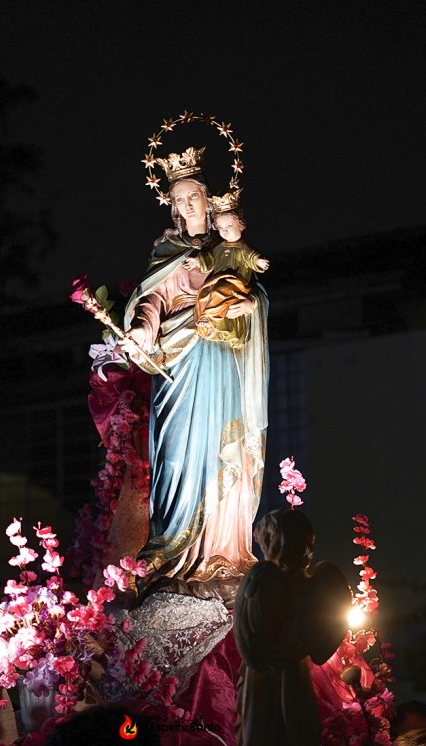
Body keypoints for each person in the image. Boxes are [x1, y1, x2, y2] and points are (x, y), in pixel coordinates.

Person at [121, 146, 269, 601]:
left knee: (224, 447)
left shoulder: (229, 249)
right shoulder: (168, 251)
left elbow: (253, 292)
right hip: (180, 362)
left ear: (209, 198)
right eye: (178, 200)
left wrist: (251, 304)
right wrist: (142, 329)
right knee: (176, 457)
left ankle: (221, 550)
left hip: (221, 359)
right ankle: (171, 548)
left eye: (192, 197)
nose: (186, 207)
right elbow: (153, 299)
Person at [232, 508, 351, 746]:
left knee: (261, 726)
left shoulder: (263, 577)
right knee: (297, 726)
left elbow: (251, 643)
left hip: (264, 672)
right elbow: (324, 641)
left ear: (272, 539)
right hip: (296, 671)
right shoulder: (318, 583)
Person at [191, 194, 270, 350]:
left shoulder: (243, 247)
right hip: (218, 280)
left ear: (240, 225)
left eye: (228, 227)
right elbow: (209, 258)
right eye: (221, 228)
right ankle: (214, 324)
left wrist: (258, 261)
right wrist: (197, 261)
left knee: (219, 291)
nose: (225, 232)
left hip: (235, 283)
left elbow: (251, 256)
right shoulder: (220, 247)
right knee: (205, 295)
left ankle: (209, 317)